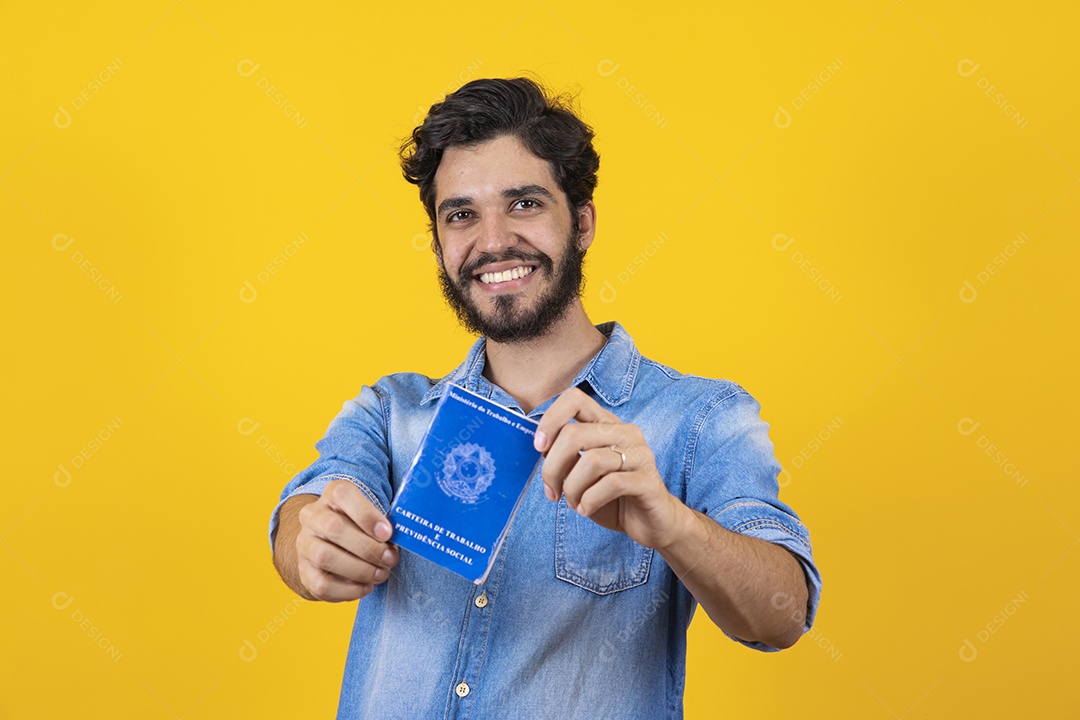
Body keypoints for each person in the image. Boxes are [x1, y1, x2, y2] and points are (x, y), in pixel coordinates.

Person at [269, 77, 822, 719]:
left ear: (582, 222)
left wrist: (672, 524)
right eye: (462, 214)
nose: (494, 239)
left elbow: (784, 614)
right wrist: (311, 539)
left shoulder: (702, 418)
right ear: (440, 242)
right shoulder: (391, 410)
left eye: (524, 203)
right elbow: (303, 508)